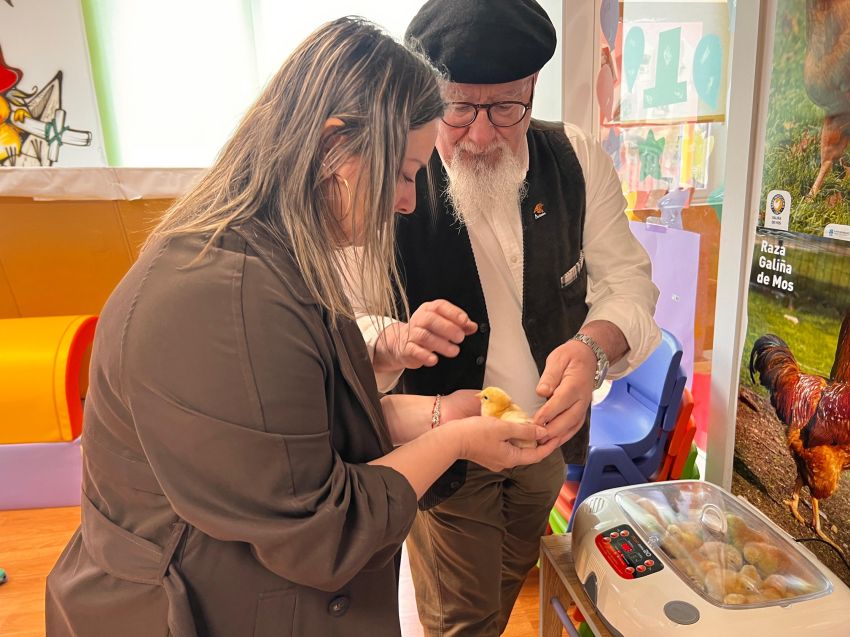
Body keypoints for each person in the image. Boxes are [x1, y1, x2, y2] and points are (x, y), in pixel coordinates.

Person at [44, 17, 560, 637]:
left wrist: (439, 414)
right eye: (402, 173)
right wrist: (452, 442)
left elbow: (293, 421)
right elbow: (323, 530)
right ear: (333, 146)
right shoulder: (219, 297)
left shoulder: (279, 260)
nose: (408, 202)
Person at [352, 1, 661, 635]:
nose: (483, 134)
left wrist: (594, 350)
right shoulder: (391, 169)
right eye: (459, 109)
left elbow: (627, 280)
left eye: (505, 110)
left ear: (532, 90)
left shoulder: (573, 158)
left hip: (543, 441)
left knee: (505, 584)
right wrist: (393, 334)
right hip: (443, 445)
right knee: (462, 616)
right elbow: (335, 321)